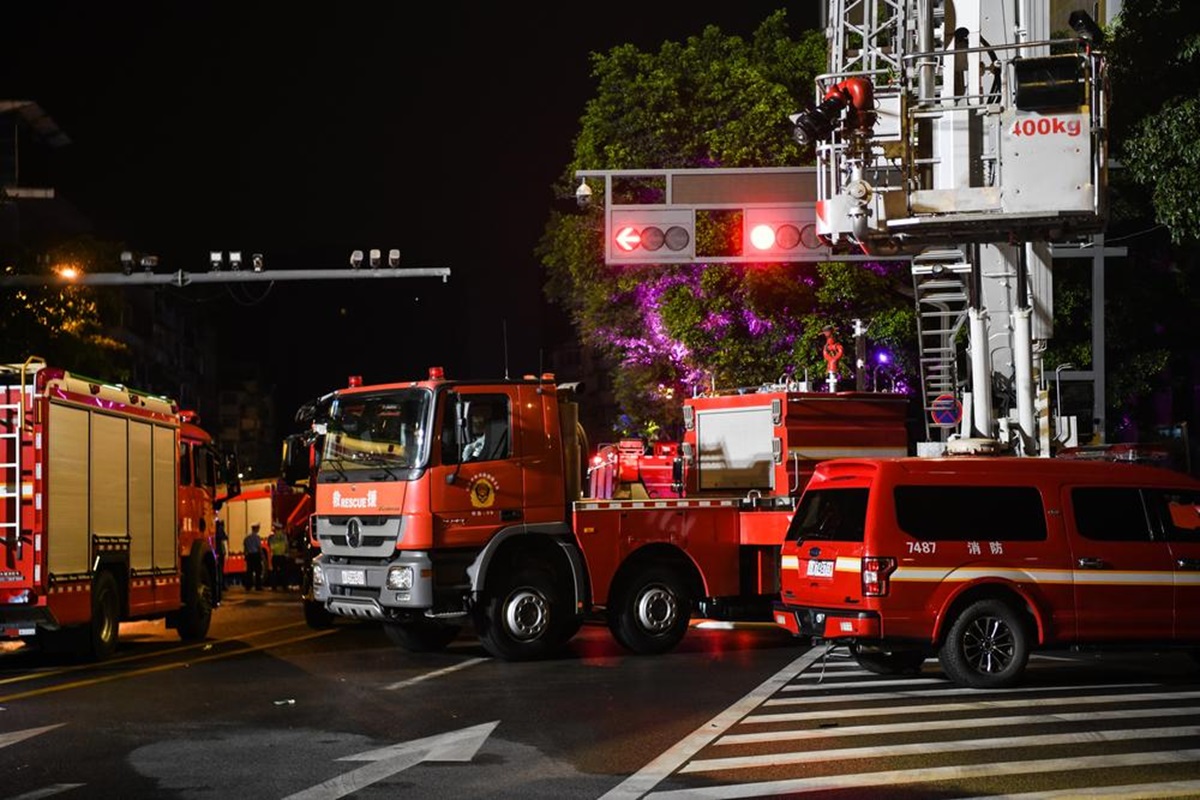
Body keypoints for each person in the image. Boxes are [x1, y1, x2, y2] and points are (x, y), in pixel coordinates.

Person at [243, 522, 265, 590]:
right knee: (258, 571)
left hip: (249, 555)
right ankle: (258, 586)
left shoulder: (247, 538)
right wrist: (262, 556)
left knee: (249, 571)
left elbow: (245, 547)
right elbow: (259, 547)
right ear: (256, 529)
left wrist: (245, 555)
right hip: (256, 555)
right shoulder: (257, 537)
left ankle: (248, 586)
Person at [268, 521, 289, 590]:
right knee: (284, 571)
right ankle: (284, 586)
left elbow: (270, 545)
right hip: (282, 556)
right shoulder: (284, 536)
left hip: (275, 556)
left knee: (274, 572)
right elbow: (286, 545)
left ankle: (274, 586)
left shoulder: (272, 537)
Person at [215, 518, 229, 590]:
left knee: (218, 570)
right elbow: (224, 539)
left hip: (216, 552)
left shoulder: (216, 530)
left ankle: (219, 584)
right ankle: (222, 585)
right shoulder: (220, 530)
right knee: (220, 569)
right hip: (220, 553)